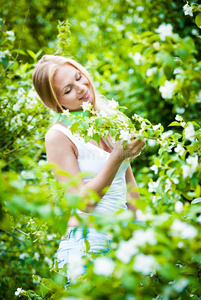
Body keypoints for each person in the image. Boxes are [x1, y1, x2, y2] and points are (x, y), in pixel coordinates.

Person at [32, 54, 145, 282]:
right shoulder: (58, 136)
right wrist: (117, 156)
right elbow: (84, 201)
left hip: (124, 240)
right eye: (68, 90)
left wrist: (142, 233)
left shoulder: (109, 118)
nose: (81, 88)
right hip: (87, 245)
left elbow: (129, 186)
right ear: (57, 103)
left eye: (79, 77)